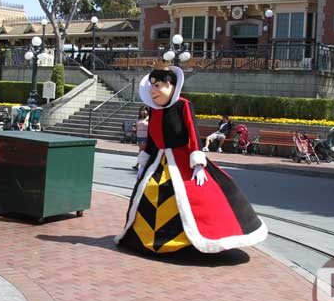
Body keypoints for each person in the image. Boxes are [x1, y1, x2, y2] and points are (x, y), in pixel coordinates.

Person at [114, 65, 267, 254]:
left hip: (182, 158)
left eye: (158, 85)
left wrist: (198, 163)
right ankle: (146, 237)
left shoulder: (183, 105)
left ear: (172, 86)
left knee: (194, 195)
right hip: (157, 160)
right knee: (148, 192)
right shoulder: (153, 110)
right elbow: (153, 138)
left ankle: (188, 243)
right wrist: (144, 159)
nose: (153, 90)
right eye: (152, 85)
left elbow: (192, 133)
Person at [132, 106, 150, 170]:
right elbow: (135, 127)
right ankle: (141, 164)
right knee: (141, 150)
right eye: (142, 110)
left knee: (142, 150)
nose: (143, 111)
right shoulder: (138, 119)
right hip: (139, 136)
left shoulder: (149, 119)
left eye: (145, 110)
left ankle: (139, 164)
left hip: (145, 136)